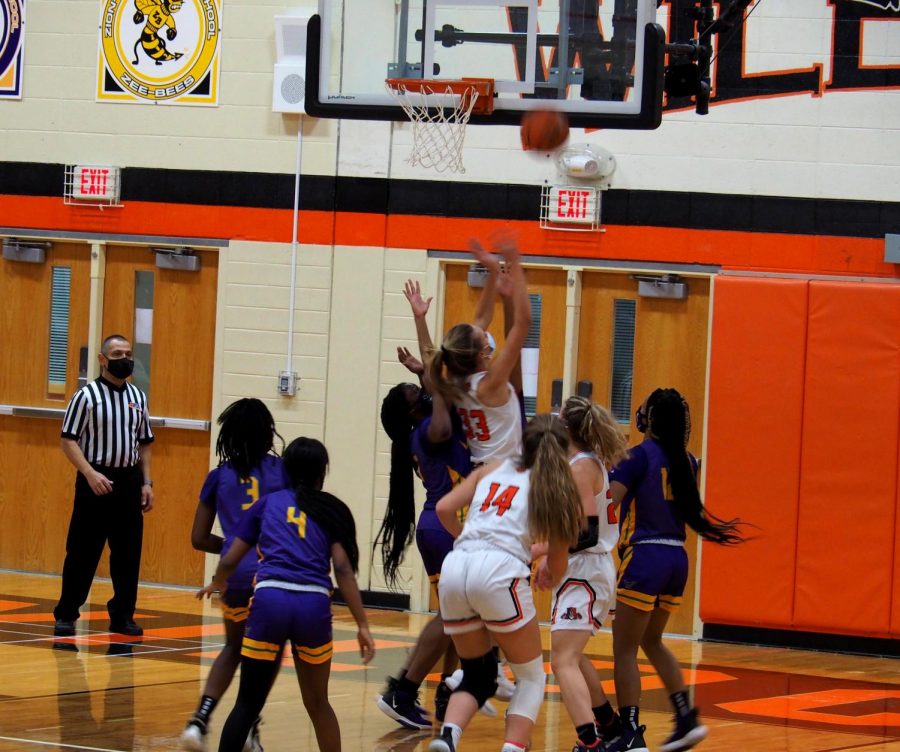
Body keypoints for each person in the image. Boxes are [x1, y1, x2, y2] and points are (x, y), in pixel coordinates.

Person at [197, 437, 375, 752]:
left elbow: (231, 557)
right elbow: (344, 570)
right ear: (323, 472)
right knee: (319, 703)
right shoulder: (334, 509)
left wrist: (218, 581)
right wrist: (362, 625)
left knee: (247, 704)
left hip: (270, 600)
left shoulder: (267, 504)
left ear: (287, 471)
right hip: (312, 605)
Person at [428, 414, 584, 752]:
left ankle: (448, 735)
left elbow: (443, 508)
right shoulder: (555, 488)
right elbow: (559, 559)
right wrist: (546, 572)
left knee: (477, 672)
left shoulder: (492, 467)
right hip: (499, 571)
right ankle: (513, 747)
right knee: (530, 676)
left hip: (456, 565)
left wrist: (467, 539)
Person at [604, 388, 746, 752]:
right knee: (652, 641)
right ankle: (685, 718)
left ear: (648, 418)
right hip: (677, 559)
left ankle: (630, 731)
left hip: (646, 556)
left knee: (624, 649)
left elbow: (609, 503)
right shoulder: (689, 460)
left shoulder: (635, 457)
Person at [181, 398, 290, 751]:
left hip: (235, 574)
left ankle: (200, 719)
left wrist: (232, 546)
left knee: (232, 647)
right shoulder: (283, 471)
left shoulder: (218, 476)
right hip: (271, 573)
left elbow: (198, 538)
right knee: (269, 653)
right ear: (267, 432)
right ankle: (249, 725)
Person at [375, 352, 470, 729]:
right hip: (447, 525)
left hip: (436, 525)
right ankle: (403, 689)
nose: (426, 393)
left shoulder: (420, 429)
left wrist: (423, 372)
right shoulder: (432, 429)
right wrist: (430, 367)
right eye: (418, 394)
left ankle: (445, 688)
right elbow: (443, 392)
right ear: (413, 412)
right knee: (452, 615)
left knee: (457, 617)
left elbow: (438, 391)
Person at [536, 396, 627, 750]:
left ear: (567, 427)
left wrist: (547, 553)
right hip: (586, 570)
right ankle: (608, 723)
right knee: (570, 654)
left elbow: (586, 532)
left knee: (562, 661)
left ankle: (589, 741)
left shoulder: (581, 468)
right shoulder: (583, 463)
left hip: (585, 570)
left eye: (558, 417)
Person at [53, 334, 154, 638]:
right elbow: (67, 439)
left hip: (129, 481)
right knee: (83, 552)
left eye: (127, 353)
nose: (124, 358)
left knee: (127, 554)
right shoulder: (86, 396)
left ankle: (123, 616)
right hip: (95, 481)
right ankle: (67, 614)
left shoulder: (138, 396)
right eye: (117, 353)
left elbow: (145, 443)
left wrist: (147, 482)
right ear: (102, 359)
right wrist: (89, 473)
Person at [427, 233, 531, 465]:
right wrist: (515, 263)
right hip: (503, 477)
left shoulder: (457, 382)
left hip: (481, 475)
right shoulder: (490, 383)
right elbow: (522, 324)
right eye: (483, 334)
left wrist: (493, 273)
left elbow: (482, 316)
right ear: (482, 353)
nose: (484, 329)